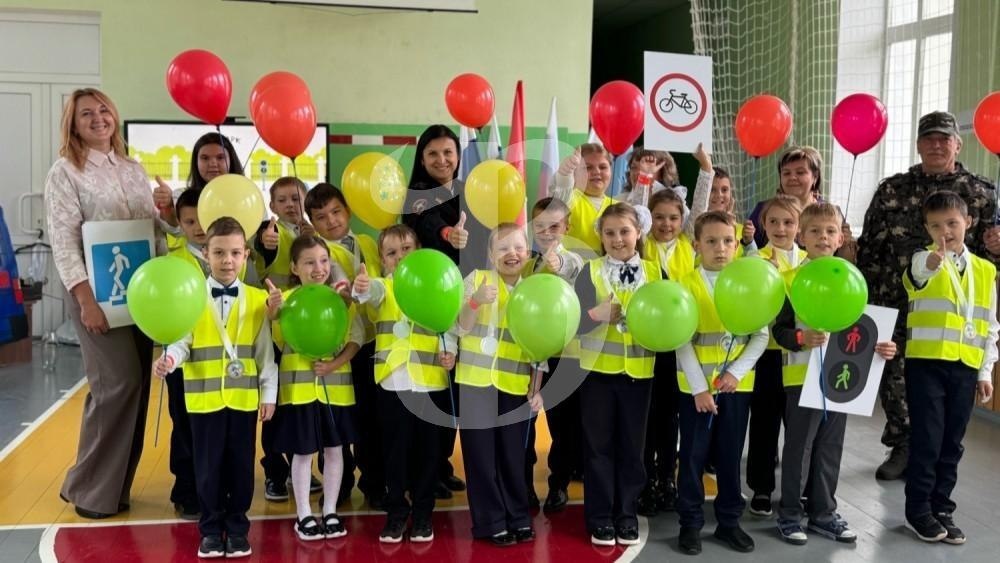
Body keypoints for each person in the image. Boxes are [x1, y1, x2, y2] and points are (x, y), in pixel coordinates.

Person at [45, 88, 170, 519]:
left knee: (138, 387)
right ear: (73, 124)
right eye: (86, 114)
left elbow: (154, 230)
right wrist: (85, 300)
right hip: (95, 293)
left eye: (103, 110)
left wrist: (169, 212)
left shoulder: (133, 169)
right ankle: (88, 489)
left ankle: (114, 489)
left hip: (140, 292)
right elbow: (64, 240)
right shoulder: (65, 172)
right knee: (117, 383)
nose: (98, 118)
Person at [856, 111, 1000, 481]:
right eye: (929, 139)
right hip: (895, 300)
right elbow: (870, 248)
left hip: (950, 315)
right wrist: (865, 303)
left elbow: (990, 257)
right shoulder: (892, 189)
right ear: (918, 144)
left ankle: (935, 454)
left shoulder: (981, 192)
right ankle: (903, 446)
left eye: (944, 138)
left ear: (957, 144)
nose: (936, 145)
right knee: (896, 377)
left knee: (944, 390)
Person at [772, 202, 897, 545]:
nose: (823, 237)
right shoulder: (790, 281)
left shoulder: (851, 280)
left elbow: (861, 329)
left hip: (840, 380)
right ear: (801, 236)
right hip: (801, 380)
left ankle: (823, 514)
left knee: (830, 448)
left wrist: (881, 347)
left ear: (841, 237)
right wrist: (801, 339)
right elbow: (779, 331)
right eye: (814, 231)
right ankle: (789, 515)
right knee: (799, 449)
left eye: (830, 231)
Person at [153, 217, 277, 559]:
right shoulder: (190, 297)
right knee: (207, 469)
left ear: (246, 254)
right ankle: (209, 530)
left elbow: (265, 354)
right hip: (203, 400)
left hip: (243, 400)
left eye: (235, 253)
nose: (227, 260)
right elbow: (182, 341)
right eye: (219, 252)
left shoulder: (258, 300)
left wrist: (269, 395)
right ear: (205, 254)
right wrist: (169, 360)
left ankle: (237, 529)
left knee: (241, 467)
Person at [900, 190, 996, 544]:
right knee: (928, 439)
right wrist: (930, 263)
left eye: (952, 223)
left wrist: (985, 372)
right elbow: (916, 277)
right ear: (926, 228)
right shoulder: (923, 259)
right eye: (936, 226)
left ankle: (942, 508)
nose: (945, 232)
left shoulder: (986, 270)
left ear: (968, 222)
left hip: (965, 367)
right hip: (926, 365)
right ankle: (918, 511)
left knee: (952, 443)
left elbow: (991, 326)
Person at [353, 224, 455, 543]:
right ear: (383, 260)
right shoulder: (384, 287)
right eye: (392, 253)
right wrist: (362, 286)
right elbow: (370, 294)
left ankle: (423, 515)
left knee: (429, 454)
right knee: (394, 453)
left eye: (406, 249)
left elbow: (450, 326)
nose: (400, 257)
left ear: (419, 250)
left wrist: (450, 352)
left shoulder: (436, 287)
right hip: (393, 385)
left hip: (430, 384)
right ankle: (396, 512)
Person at [674, 211, 769, 555]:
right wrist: (699, 388)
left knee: (730, 456)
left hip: (735, 390)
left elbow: (760, 336)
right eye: (711, 241)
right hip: (695, 391)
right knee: (692, 458)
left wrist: (735, 374)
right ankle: (690, 523)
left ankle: (729, 522)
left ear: (737, 244)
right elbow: (680, 339)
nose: (721, 248)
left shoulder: (748, 284)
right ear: (696, 245)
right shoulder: (685, 285)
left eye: (728, 241)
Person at [573, 203, 661, 546]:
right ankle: (599, 518)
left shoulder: (656, 272)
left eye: (624, 231)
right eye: (609, 233)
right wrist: (595, 315)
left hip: (639, 373)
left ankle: (626, 515)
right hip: (597, 373)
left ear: (638, 232)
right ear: (601, 236)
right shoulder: (590, 271)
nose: (617, 239)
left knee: (632, 448)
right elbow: (572, 323)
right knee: (598, 448)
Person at [402, 125, 479, 497]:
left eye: (448, 152)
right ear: (422, 158)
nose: (442, 160)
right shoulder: (416, 194)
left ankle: (442, 464)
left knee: (455, 391)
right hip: (430, 301)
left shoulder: (468, 192)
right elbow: (428, 223)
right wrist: (449, 234)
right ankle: (425, 471)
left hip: (467, 300)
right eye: (433, 153)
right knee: (433, 389)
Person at [267, 235, 360, 541]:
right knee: (303, 451)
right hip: (299, 390)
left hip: (336, 389)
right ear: (294, 267)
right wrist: (273, 310)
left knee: (335, 450)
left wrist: (334, 364)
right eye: (309, 262)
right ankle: (304, 514)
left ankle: (330, 510)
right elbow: (275, 334)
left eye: (323, 261)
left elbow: (355, 339)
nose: (318, 268)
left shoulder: (342, 299)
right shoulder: (285, 301)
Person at [454, 223, 543, 546]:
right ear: (491, 254)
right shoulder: (475, 280)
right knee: (480, 456)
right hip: (475, 384)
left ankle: (518, 517)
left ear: (527, 253)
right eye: (503, 248)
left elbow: (541, 345)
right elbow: (459, 328)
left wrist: (537, 387)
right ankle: (490, 522)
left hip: (514, 385)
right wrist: (475, 302)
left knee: (513, 456)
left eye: (518, 247)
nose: (511, 254)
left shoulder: (533, 291)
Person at [163, 188, 246, 520]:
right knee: (184, 426)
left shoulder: (230, 257)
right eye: (189, 221)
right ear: (179, 224)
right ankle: (187, 489)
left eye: (203, 220)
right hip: (183, 356)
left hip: (223, 364)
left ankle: (220, 491)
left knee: (221, 435)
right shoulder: (172, 259)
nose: (197, 227)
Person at [303, 182, 386, 509]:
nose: (331, 220)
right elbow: (336, 278)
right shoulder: (318, 251)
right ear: (312, 222)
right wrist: (344, 290)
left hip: (375, 340)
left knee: (372, 417)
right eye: (321, 217)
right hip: (338, 343)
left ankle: (374, 482)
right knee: (335, 417)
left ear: (348, 211)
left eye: (336, 211)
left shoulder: (368, 242)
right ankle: (338, 484)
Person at [636, 188, 697, 517]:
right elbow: (635, 209)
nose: (666, 224)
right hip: (647, 344)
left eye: (673, 218)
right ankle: (645, 481)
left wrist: (706, 170)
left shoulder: (689, 245)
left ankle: (666, 478)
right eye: (658, 217)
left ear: (683, 221)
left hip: (679, 345)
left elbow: (698, 208)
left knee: (670, 416)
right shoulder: (641, 246)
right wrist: (644, 179)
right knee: (648, 415)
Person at [522, 197, 585, 513]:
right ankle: (524, 485)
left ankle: (559, 482)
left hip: (566, 357)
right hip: (531, 355)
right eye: (540, 226)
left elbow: (569, 266)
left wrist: (559, 262)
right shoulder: (527, 264)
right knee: (526, 422)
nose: (547, 232)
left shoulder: (575, 260)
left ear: (567, 228)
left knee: (564, 425)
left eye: (554, 226)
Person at [746, 194, 806, 516]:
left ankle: (800, 489)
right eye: (773, 222)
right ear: (763, 226)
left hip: (803, 353)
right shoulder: (754, 261)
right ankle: (761, 488)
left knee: (799, 428)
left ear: (799, 226)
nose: (781, 228)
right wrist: (760, 278)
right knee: (764, 424)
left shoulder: (811, 261)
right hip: (767, 353)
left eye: (788, 222)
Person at [550, 143, 615, 255]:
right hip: (569, 266)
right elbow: (560, 192)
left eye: (603, 167)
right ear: (574, 172)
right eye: (588, 167)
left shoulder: (619, 206)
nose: (597, 172)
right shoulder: (569, 199)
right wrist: (564, 176)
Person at [255, 176, 315, 290]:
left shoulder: (315, 233)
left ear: (306, 202)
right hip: (277, 299)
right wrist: (264, 238)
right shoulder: (273, 230)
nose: (290, 204)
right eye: (282, 200)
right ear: (272, 207)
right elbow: (261, 238)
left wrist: (315, 239)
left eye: (295, 199)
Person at [709, 166, 757, 254]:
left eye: (724, 190)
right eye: (712, 189)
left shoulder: (741, 230)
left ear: (730, 193)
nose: (719, 195)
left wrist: (749, 242)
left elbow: (753, 259)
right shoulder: (696, 228)